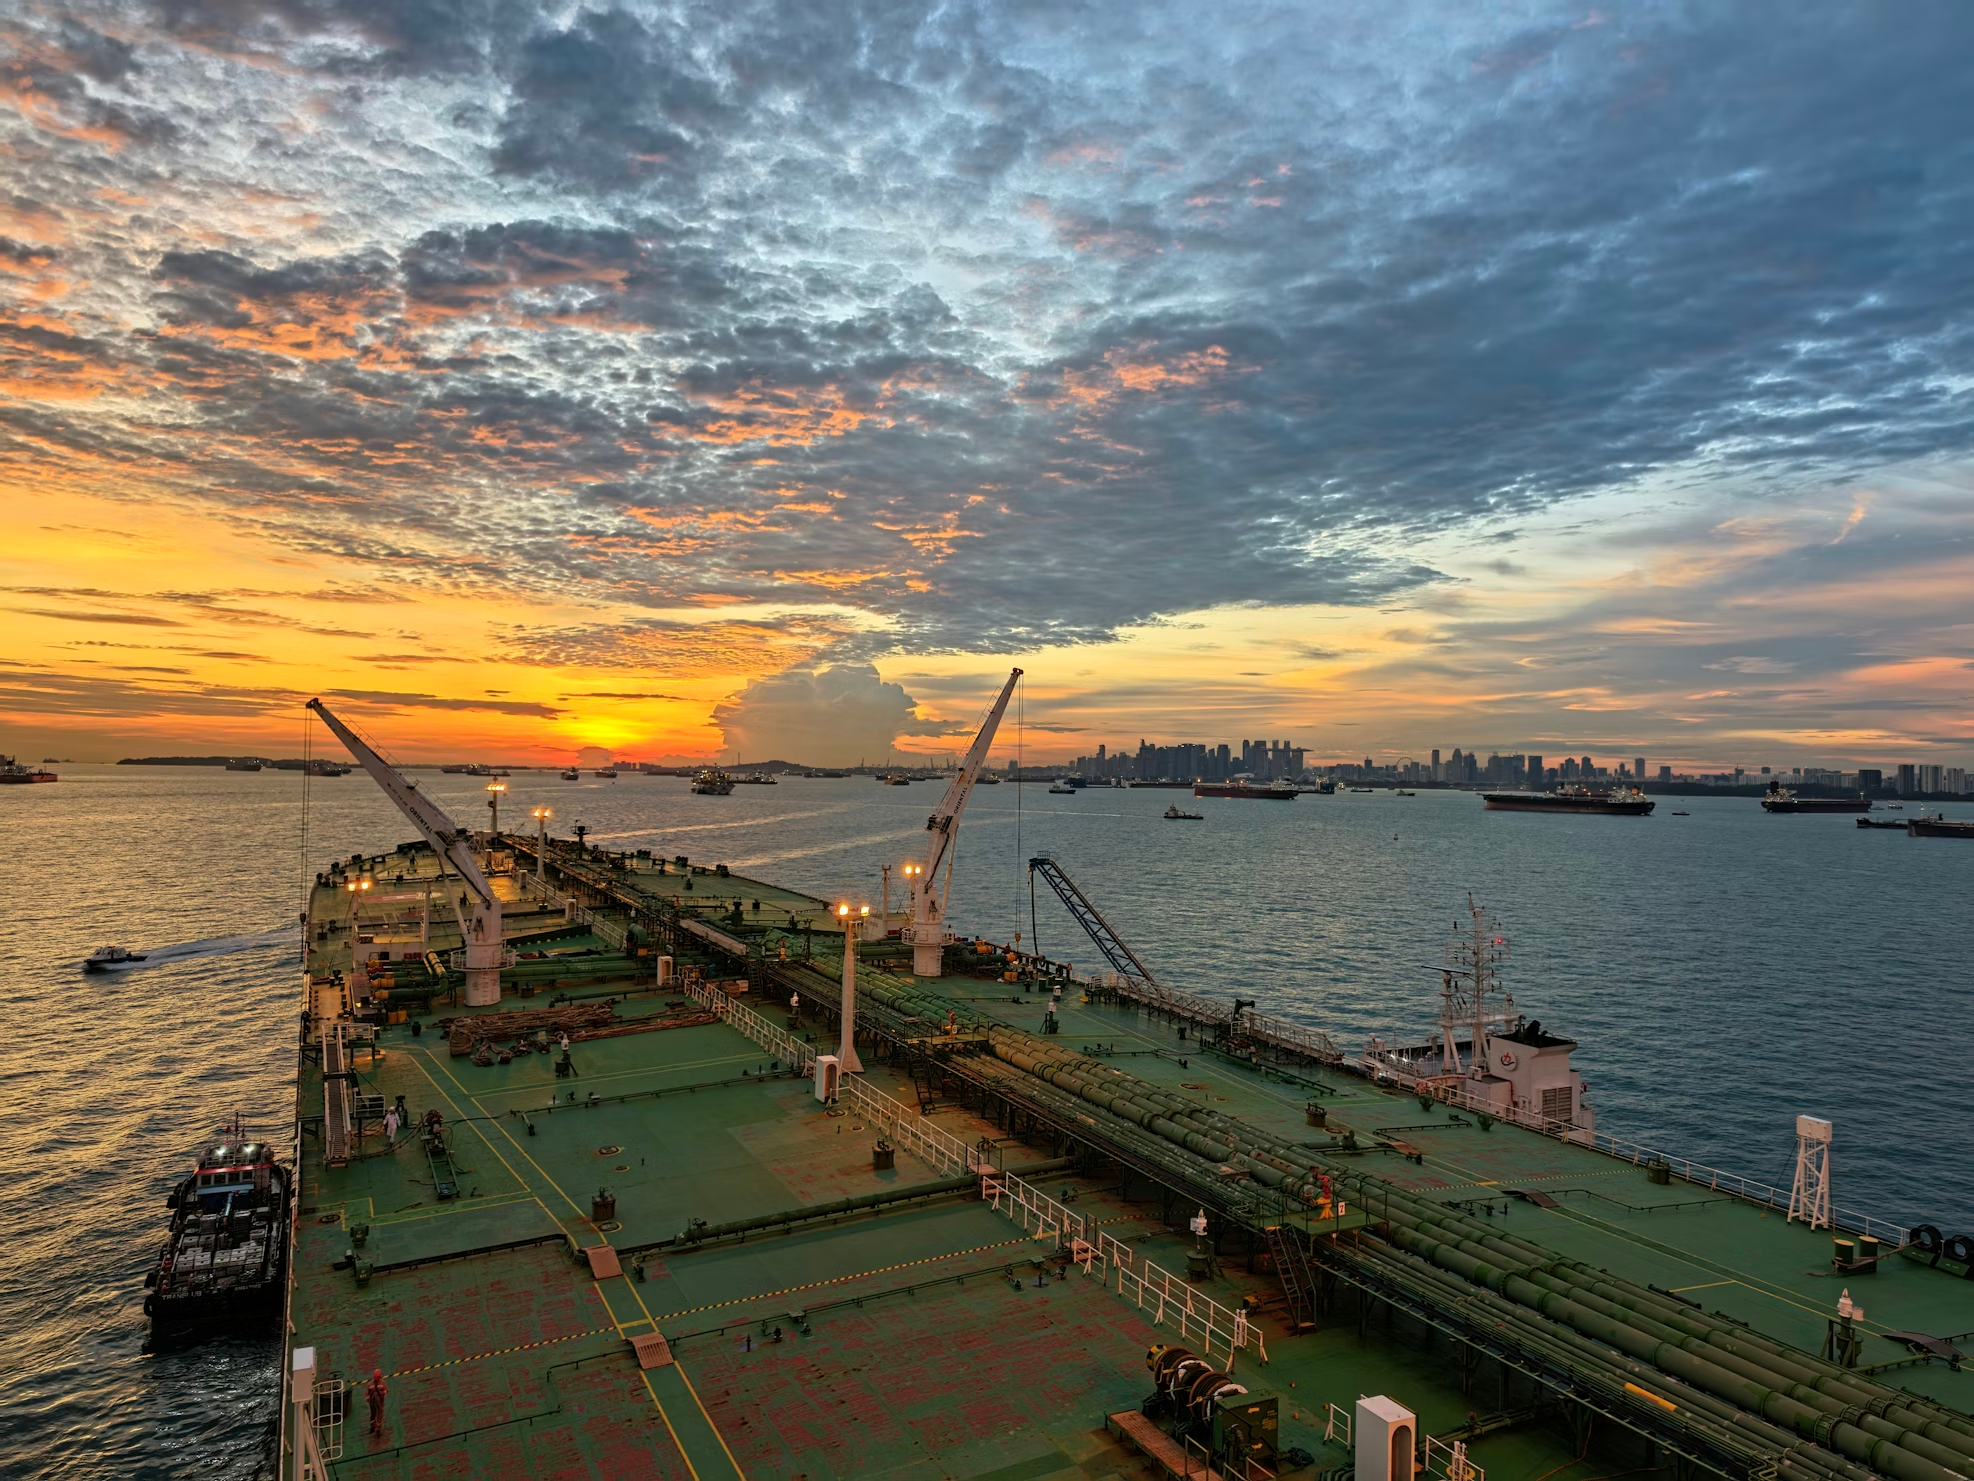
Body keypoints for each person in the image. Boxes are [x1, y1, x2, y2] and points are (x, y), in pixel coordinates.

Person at [365, 1368, 388, 1437]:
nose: (375, 1378)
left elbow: (386, 1391)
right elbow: (367, 1393)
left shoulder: (382, 1383)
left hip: (380, 1402)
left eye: (377, 1377)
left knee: (379, 1415)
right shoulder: (370, 1384)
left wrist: (382, 1393)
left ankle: (378, 1430)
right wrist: (368, 1398)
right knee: (373, 1414)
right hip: (372, 1402)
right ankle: (373, 1426)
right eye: (375, 1377)